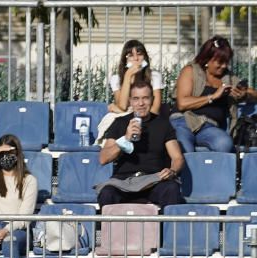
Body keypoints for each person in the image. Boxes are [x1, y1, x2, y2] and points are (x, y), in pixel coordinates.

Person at [97, 77, 184, 210]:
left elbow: (177, 158)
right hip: (124, 182)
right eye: (136, 99)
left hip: (154, 180)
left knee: (171, 188)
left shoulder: (163, 124)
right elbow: (104, 158)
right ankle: (113, 231)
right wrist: (125, 139)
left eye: (145, 98)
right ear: (130, 101)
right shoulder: (119, 123)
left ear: (152, 99)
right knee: (107, 193)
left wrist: (172, 171)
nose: (141, 103)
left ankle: (169, 231)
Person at [171, 36, 257, 153]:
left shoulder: (228, 77)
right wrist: (213, 97)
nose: (224, 66)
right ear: (207, 59)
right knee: (184, 148)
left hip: (208, 127)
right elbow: (182, 103)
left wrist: (244, 94)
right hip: (183, 122)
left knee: (224, 143)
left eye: (226, 62)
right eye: (220, 62)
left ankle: (218, 171)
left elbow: (254, 93)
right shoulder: (190, 71)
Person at [108, 40, 163, 116]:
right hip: (125, 121)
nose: (136, 58)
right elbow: (122, 106)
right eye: (131, 55)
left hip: (148, 119)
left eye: (139, 54)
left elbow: (155, 109)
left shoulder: (154, 76)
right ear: (125, 59)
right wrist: (128, 76)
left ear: (144, 57)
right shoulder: (116, 79)